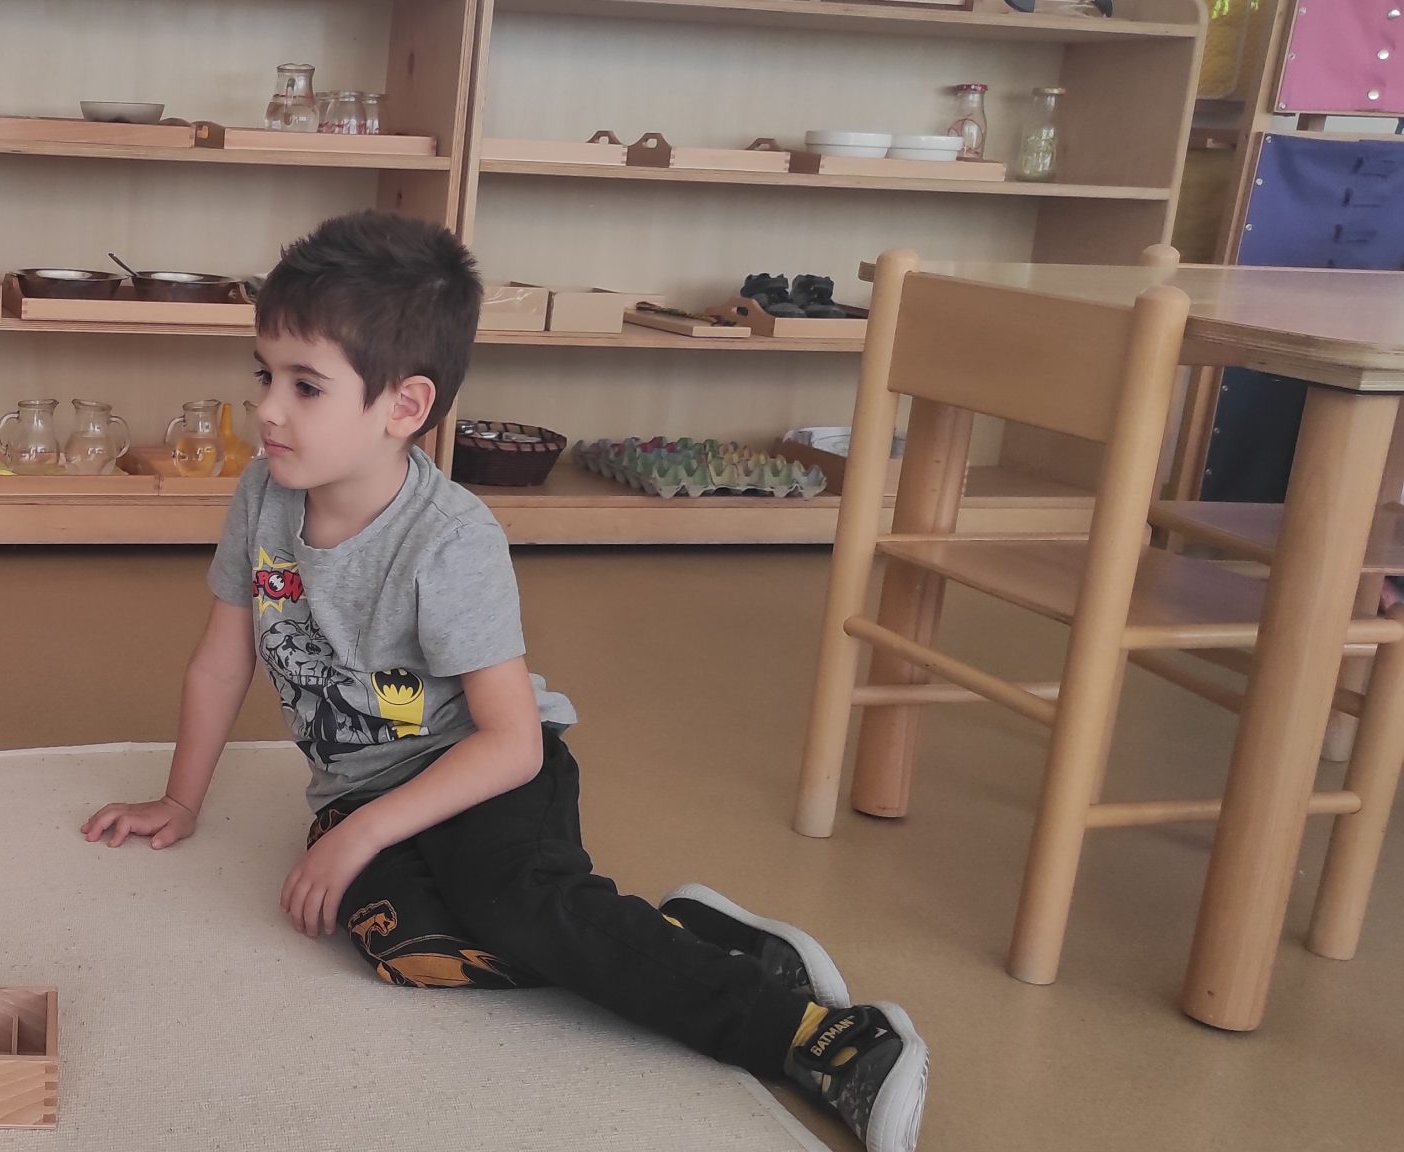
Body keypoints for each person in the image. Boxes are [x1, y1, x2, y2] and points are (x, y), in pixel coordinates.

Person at [82, 210, 929, 1152]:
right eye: (265, 376)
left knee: (520, 906)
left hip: (487, 768)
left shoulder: (451, 541)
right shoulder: (263, 496)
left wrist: (362, 831)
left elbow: (512, 741)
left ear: (404, 405)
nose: (269, 410)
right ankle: (688, 939)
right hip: (366, 785)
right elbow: (224, 656)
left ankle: (818, 1036)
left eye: (306, 385)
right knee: (406, 949)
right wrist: (181, 800)